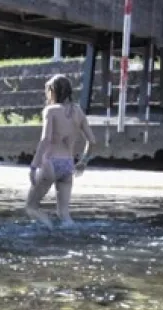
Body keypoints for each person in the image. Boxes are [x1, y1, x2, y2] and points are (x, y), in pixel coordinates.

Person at [26, 74, 97, 229]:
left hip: (50, 163)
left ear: (53, 91)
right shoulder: (78, 111)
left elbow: (45, 140)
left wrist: (33, 166)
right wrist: (83, 162)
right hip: (67, 165)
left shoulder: (50, 110)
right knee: (64, 214)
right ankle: (73, 235)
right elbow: (92, 141)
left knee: (31, 207)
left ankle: (49, 229)